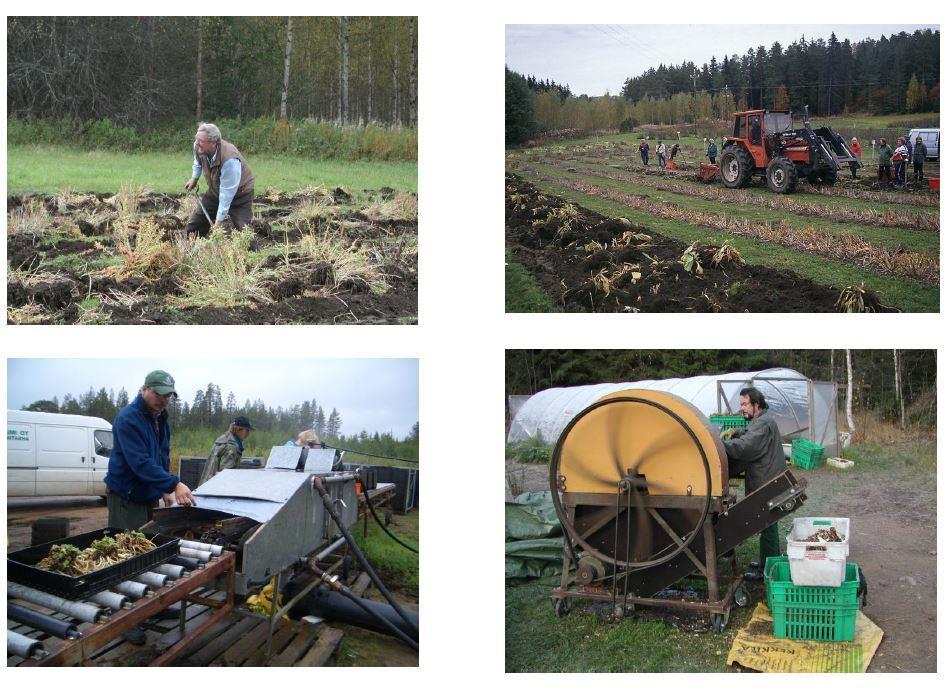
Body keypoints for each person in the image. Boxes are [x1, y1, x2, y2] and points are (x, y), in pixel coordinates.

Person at [719, 387, 786, 580]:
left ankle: (769, 571)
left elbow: (746, 446)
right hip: (767, 478)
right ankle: (767, 561)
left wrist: (718, 445)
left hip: (767, 481)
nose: (742, 408)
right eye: (741, 404)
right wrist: (736, 431)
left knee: (769, 526)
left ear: (757, 405)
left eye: (745, 404)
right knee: (767, 525)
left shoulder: (763, 423)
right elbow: (750, 432)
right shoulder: (761, 420)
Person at [184, 122, 256, 237]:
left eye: (201, 141)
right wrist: (194, 178)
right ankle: (188, 249)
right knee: (195, 225)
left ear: (213, 143)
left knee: (244, 230)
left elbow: (226, 196)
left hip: (240, 194)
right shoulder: (198, 146)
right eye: (196, 139)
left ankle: (254, 254)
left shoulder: (230, 161)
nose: (197, 143)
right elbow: (198, 162)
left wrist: (218, 222)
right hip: (215, 191)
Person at [199, 416, 254, 485]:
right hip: (215, 490)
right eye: (247, 430)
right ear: (238, 429)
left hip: (206, 485)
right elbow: (225, 477)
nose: (248, 434)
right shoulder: (231, 447)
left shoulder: (223, 439)